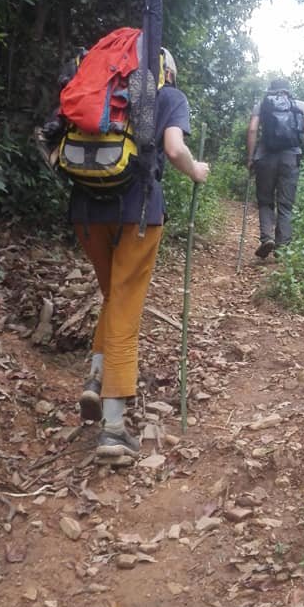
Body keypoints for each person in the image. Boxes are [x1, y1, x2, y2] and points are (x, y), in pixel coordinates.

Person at [72, 48, 209, 462]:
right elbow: (173, 149)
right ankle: (114, 430)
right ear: (167, 70)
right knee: (127, 310)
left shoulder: (96, 92)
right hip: (139, 213)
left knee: (114, 297)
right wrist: (196, 170)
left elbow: (48, 141)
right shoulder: (168, 97)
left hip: (84, 212)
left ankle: (96, 378)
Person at [246, 77, 304, 258]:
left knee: (265, 201)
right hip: (290, 158)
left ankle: (267, 238)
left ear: (271, 90)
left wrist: (250, 157)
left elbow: (253, 130)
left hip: (265, 156)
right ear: (288, 90)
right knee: (285, 205)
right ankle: (283, 248)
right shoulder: (301, 106)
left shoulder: (262, 105)